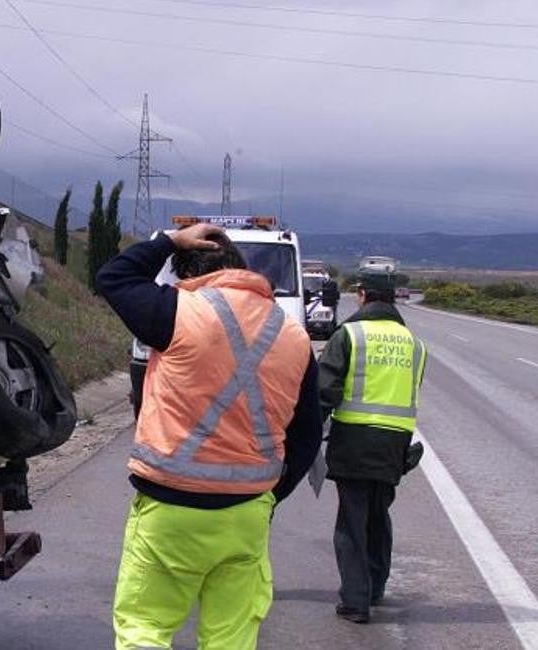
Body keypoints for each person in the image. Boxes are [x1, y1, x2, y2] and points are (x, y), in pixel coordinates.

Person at [96, 224, 322, 650]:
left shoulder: (178, 312)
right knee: (230, 641)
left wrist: (167, 241)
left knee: (145, 629)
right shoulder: (295, 337)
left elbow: (114, 278)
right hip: (246, 514)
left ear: (185, 274)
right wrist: (269, 495)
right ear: (241, 266)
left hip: (169, 509)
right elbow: (307, 436)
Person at [320, 269, 426, 623]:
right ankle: (376, 588)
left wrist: (307, 432)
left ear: (363, 295)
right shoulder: (414, 343)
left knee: (352, 519)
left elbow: (325, 390)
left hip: (354, 438)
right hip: (395, 444)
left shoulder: (350, 333)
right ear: (394, 298)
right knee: (379, 516)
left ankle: (355, 601)